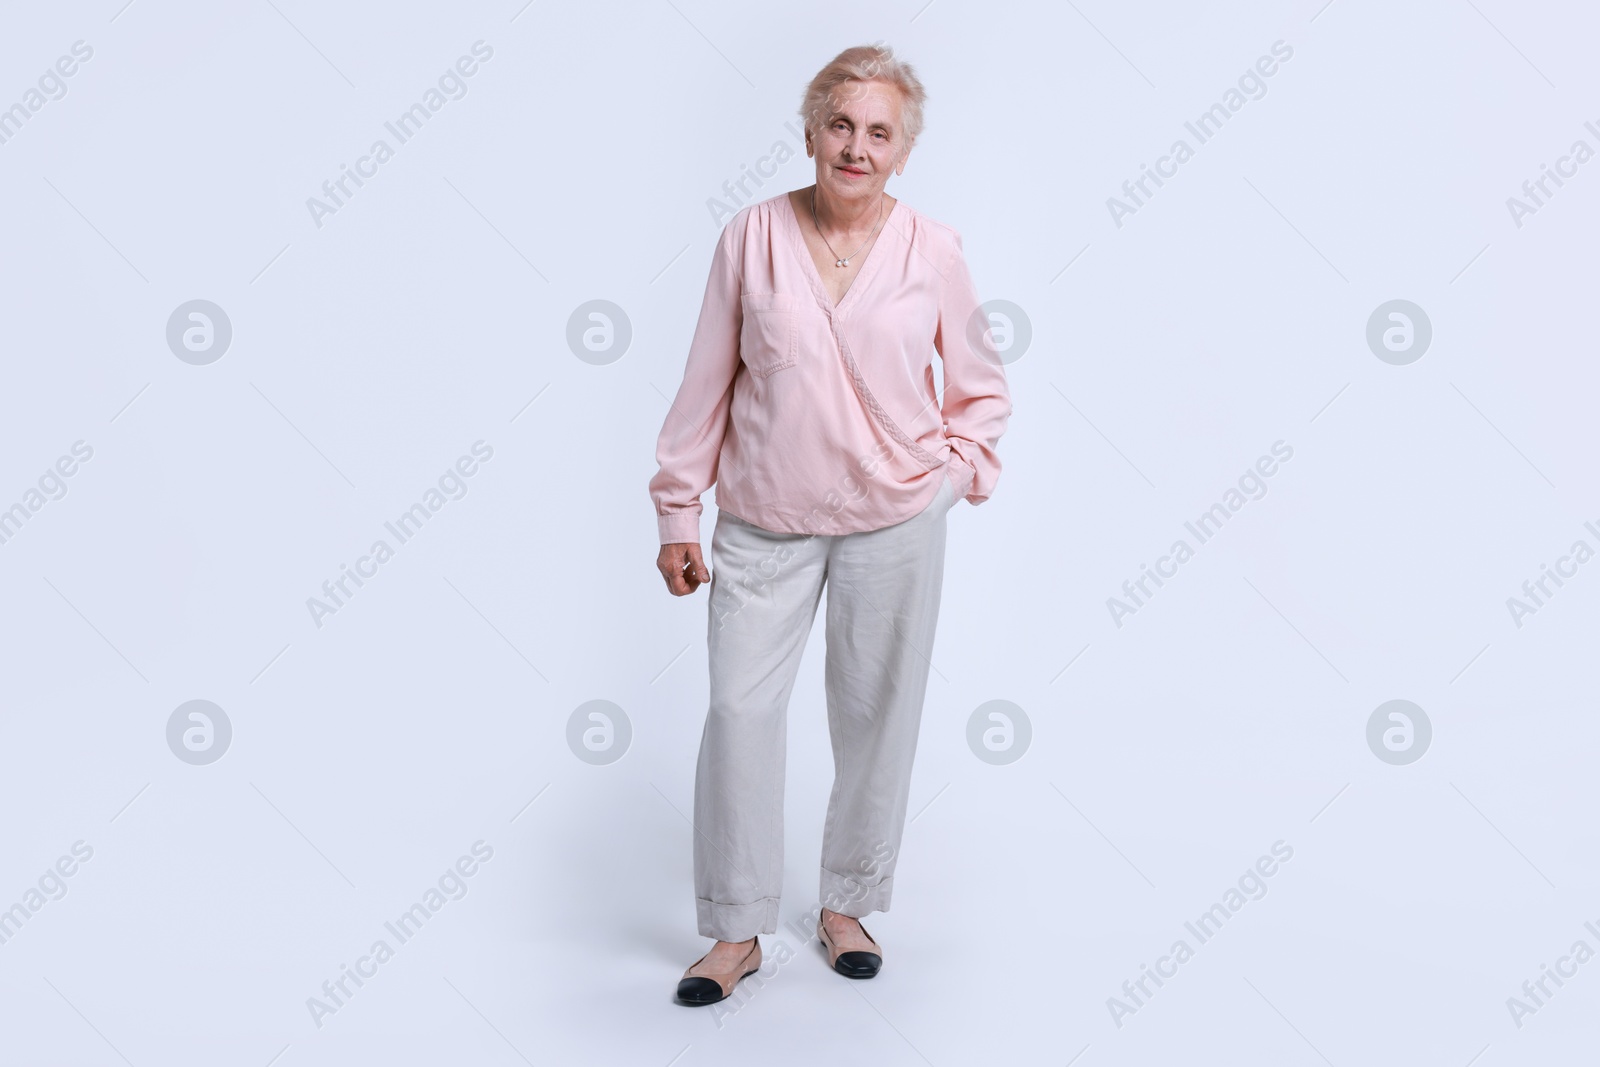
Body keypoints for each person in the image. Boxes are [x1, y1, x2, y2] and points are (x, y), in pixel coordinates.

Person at [649, 42, 1013, 1006]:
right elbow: (704, 383)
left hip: (894, 520)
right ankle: (735, 929)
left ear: (903, 151)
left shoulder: (935, 249)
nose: (857, 146)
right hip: (763, 520)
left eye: (879, 132)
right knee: (738, 715)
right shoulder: (751, 237)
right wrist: (677, 508)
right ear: (811, 130)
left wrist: (948, 480)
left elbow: (981, 392)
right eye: (841, 124)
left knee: (876, 717)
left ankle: (847, 902)